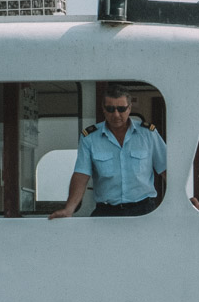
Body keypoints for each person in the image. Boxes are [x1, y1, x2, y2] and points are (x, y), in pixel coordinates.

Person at [48, 88, 168, 218]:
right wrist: (69, 209)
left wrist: (185, 199)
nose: (116, 114)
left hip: (144, 211)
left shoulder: (148, 134)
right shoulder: (89, 137)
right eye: (110, 109)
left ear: (129, 108)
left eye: (121, 109)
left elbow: (166, 170)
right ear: (103, 109)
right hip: (106, 212)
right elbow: (81, 175)